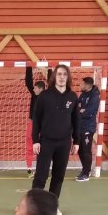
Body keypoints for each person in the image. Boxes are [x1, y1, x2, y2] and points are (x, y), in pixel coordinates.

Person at [32, 64, 80, 207]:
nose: (62, 77)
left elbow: (76, 120)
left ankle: (52, 207)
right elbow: (36, 119)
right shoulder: (44, 96)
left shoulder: (73, 97)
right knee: (41, 176)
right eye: (59, 74)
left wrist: (76, 141)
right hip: (46, 142)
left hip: (64, 143)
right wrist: (35, 140)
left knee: (58, 176)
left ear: (68, 77)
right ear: (54, 77)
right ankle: (34, 206)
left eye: (64, 74)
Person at [24, 66, 49, 178]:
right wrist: (28, 67)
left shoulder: (47, 97)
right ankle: (29, 170)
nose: (33, 89)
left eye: (35, 88)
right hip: (32, 124)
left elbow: (52, 84)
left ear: (40, 89)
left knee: (43, 148)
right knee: (30, 146)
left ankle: (41, 170)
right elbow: (28, 82)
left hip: (43, 126)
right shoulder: (34, 96)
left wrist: (50, 70)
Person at [76, 76, 100, 181]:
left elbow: (88, 113)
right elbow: (77, 108)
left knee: (86, 150)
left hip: (88, 128)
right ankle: (85, 169)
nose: (80, 85)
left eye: (82, 84)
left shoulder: (94, 96)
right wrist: (80, 111)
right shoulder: (83, 94)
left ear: (87, 85)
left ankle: (86, 173)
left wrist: (81, 111)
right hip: (80, 126)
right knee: (80, 150)